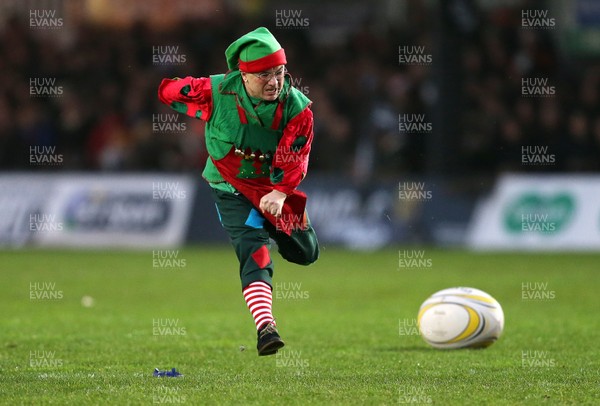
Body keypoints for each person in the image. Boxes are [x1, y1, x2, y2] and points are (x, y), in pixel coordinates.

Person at [158, 27, 319, 356]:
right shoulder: (217, 91)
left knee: (307, 252)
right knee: (254, 252)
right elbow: (170, 92)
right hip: (229, 187)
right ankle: (266, 328)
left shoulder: (297, 108)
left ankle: (270, 230)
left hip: (272, 189)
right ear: (243, 76)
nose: (274, 82)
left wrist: (280, 192)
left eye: (279, 72)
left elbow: (297, 155)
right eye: (264, 75)